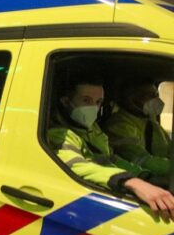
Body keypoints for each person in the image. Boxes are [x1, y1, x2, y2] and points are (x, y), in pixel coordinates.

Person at [47, 74, 174, 221]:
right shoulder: (57, 134)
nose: (93, 107)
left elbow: (111, 159)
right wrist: (133, 183)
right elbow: (78, 165)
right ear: (66, 102)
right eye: (86, 100)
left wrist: (146, 177)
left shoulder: (92, 129)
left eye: (98, 102)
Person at [104, 80, 171, 180]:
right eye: (150, 95)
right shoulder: (119, 125)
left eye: (156, 94)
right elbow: (141, 160)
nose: (156, 100)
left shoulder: (150, 121)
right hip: (142, 178)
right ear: (132, 99)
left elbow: (168, 148)